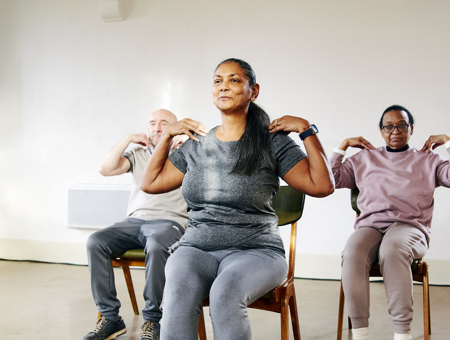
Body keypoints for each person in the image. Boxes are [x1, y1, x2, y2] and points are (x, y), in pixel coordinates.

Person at [140, 58, 335, 339]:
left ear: (253, 91)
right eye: (218, 80)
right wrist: (168, 136)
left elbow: (322, 186)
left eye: (234, 80)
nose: (224, 86)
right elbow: (150, 182)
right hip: (196, 248)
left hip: (256, 251)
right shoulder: (197, 142)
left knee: (225, 292)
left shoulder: (272, 141)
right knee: (176, 295)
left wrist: (306, 131)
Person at [330, 105, 450, 340]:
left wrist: (449, 141)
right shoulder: (365, 158)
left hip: (410, 227)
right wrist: (343, 146)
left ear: (411, 129)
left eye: (402, 125)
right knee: (353, 251)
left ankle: (402, 334)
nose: (395, 131)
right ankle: (359, 333)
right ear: (381, 131)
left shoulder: (428, 160)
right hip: (371, 226)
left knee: (392, 248)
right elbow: (331, 179)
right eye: (389, 126)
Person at [83, 109, 189, 340]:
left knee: (157, 244)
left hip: (169, 222)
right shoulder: (140, 153)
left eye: (164, 123)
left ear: (175, 127)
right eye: (152, 123)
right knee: (95, 241)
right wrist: (127, 140)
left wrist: (190, 142)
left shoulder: (187, 153)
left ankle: (153, 320)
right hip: (134, 221)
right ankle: (110, 318)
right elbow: (105, 169)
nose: (157, 128)